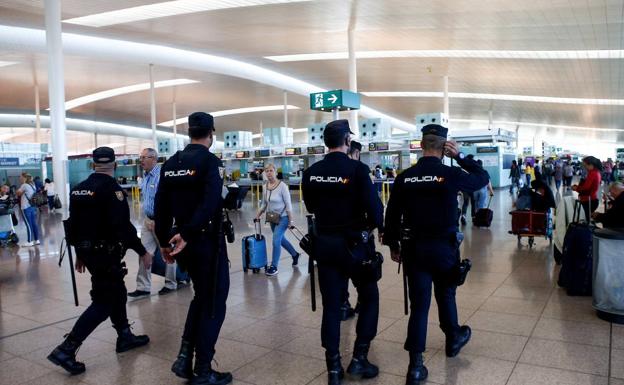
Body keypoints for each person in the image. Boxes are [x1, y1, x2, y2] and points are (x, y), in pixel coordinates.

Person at [383, 124, 489, 384]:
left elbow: (392, 214)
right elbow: (482, 178)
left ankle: (416, 367)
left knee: (420, 305)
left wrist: (394, 246)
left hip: (414, 249)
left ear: (421, 146)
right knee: (446, 293)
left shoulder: (405, 177)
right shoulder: (450, 174)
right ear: (444, 147)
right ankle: (453, 338)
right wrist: (460, 158)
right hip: (444, 248)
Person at [47, 147, 151, 375]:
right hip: (107, 254)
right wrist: (143, 251)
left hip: (90, 255)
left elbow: (73, 225)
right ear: (114, 164)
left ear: (92, 164)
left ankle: (124, 335)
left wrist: (80, 254)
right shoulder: (113, 190)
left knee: (118, 292)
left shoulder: (78, 190)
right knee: (104, 302)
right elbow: (123, 227)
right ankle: (67, 349)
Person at [302, 119, 384, 385]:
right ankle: (359, 358)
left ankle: (334, 369)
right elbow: (375, 210)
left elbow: (311, 205)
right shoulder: (358, 170)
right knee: (369, 296)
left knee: (332, 306)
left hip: (325, 247)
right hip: (355, 247)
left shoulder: (311, 172)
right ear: (348, 140)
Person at [154, 112, 232, 385]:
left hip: (180, 244)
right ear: (211, 132)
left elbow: (160, 207)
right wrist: (188, 233)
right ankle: (203, 370)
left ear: (189, 132)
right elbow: (211, 203)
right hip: (205, 241)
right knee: (214, 301)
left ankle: (185, 357)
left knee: (200, 297)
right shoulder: (211, 162)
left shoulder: (171, 163)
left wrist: (164, 241)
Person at [128, 148, 183, 297]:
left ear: (153, 159)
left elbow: (168, 201)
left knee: (168, 252)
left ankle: (171, 283)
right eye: (140, 157)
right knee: (143, 252)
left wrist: (160, 220)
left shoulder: (161, 176)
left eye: (144, 157)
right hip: (148, 221)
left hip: (162, 221)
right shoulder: (145, 176)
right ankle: (143, 287)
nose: (141, 160)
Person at [254, 163, 300, 276]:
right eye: (266, 171)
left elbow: (288, 205)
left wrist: (291, 221)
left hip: (283, 217)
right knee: (281, 239)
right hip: (272, 218)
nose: (269, 173)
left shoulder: (283, 186)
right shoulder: (265, 187)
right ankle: (295, 254)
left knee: (276, 240)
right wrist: (258, 215)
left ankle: (274, 266)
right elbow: (264, 204)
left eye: (271, 170)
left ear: (275, 172)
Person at [572, 156, 602, 222]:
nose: (584, 167)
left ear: (591, 164)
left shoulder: (593, 173)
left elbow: (586, 188)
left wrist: (576, 188)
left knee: (586, 222)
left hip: (588, 200)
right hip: (591, 199)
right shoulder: (596, 172)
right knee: (587, 220)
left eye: (585, 165)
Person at [16, 173, 40, 247]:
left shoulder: (24, 185)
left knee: (28, 224)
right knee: (33, 224)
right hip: (32, 207)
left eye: (20, 177)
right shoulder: (33, 185)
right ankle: (36, 240)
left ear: (24, 177)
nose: (20, 178)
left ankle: (29, 241)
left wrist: (20, 191)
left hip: (25, 207)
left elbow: (18, 193)